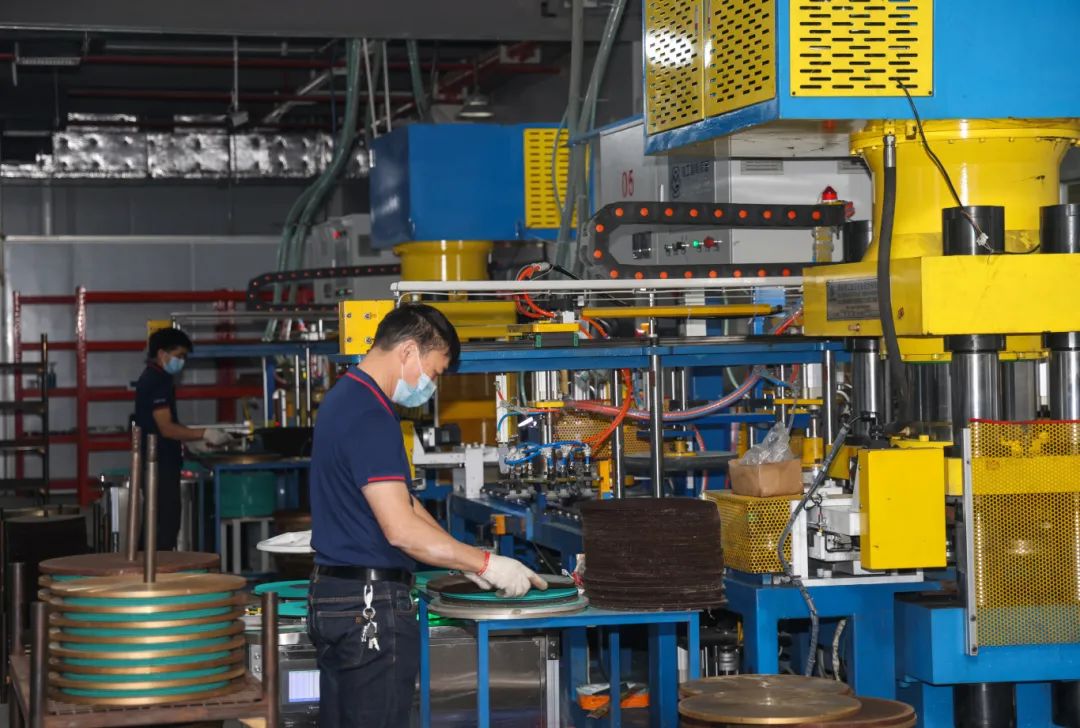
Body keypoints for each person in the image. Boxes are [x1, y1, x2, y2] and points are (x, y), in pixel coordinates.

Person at [309, 303, 546, 727]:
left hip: (335, 597)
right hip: (369, 606)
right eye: (434, 373)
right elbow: (400, 530)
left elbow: (404, 502)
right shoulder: (370, 414)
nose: (431, 386)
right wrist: (488, 564)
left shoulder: (345, 398)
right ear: (407, 351)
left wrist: (463, 558)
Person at [133, 328, 232, 550]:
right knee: (164, 526)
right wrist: (204, 433)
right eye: (179, 356)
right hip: (159, 463)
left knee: (156, 523)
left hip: (158, 461)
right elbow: (166, 428)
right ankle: (155, 568)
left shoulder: (154, 377)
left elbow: (167, 425)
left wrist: (189, 440)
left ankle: (147, 566)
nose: (182, 361)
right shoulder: (157, 381)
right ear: (162, 354)